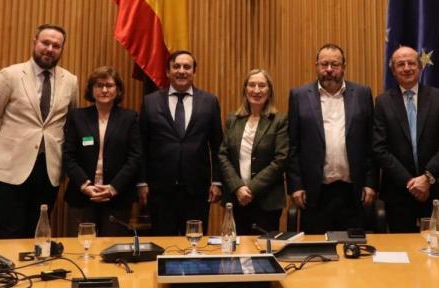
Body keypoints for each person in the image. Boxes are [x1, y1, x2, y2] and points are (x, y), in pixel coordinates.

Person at [0, 24, 79, 238]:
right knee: (10, 234)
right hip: (10, 169)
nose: (50, 49)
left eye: (56, 45)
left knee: (39, 234)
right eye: (45, 43)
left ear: (62, 49)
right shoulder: (10, 75)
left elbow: (72, 123)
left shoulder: (70, 81)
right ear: (34, 42)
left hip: (49, 170)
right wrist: (6, 148)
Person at [286, 44, 378, 234]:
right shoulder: (299, 96)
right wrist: (295, 186)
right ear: (316, 65)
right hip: (315, 193)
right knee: (317, 254)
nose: (329, 70)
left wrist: (370, 182)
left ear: (344, 66)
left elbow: (371, 144)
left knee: (354, 255)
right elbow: (292, 146)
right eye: (324, 64)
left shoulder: (362, 94)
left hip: (354, 192)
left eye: (334, 64)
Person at [373, 45, 439, 232]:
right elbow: (380, 148)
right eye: (400, 64)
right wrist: (411, 183)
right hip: (399, 192)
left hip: (436, 188)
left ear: (420, 67)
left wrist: (427, 178)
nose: (407, 68)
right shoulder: (382, 102)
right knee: (403, 253)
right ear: (393, 71)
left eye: (411, 63)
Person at [138, 50, 224, 235]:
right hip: (160, 190)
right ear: (168, 72)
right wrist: (142, 182)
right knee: (163, 244)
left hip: (197, 189)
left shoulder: (209, 102)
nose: (182, 71)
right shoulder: (150, 102)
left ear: (194, 72)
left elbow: (217, 146)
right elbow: (141, 147)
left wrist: (217, 181)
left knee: (194, 245)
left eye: (187, 67)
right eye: (176, 66)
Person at [63, 67, 142, 237]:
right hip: (82, 196)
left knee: (112, 252)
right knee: (80, 249)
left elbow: (135, 158)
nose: (104, 90)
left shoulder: (130, 118)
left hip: (117, 198)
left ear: (118, 89)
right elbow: (68, 156)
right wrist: (85, 186)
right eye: (99, 85)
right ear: (91, 89)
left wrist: (113, 188)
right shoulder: (77, 116)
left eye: (110, 85)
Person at [217, 69, 289, 234]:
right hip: (236, 199)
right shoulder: (232, 119)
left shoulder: (279, 120)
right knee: (236, 251)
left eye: (262, 85)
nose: (256, 90)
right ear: (245, 89)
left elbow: (281, 159)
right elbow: (223, 155)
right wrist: (238, 188)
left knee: (263, 252)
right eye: (252, 85)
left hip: (267, 201)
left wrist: (251, 189)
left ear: (269, 91)